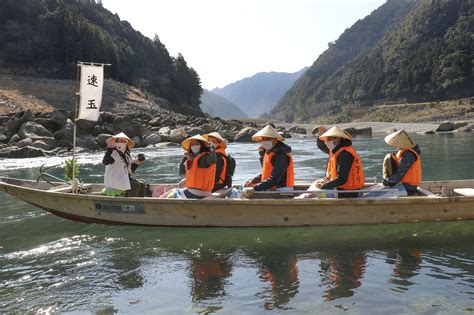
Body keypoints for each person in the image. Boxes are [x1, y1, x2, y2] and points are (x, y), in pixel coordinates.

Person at [242, 125, 294, 198]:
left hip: (282, 192)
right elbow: (267, 172)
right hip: (273, 189)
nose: (264, 141)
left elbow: (274, 179)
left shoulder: (281, 156)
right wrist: (253, 181)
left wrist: (254, 188)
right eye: (263, 139)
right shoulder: (270, 152)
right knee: (245, 186)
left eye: (267, 139)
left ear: (275, 140)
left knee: (245, 195)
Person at [312, 126, 365, 198]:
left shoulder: (345, 155)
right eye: (327, 139)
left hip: (347, 193)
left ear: (339, 139)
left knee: (313, 194)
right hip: (340, 190)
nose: (327, 141)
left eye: (330, 138)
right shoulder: (336, 150)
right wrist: (319, 136)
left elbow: (341, 179)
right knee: (315, 184)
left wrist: (323, 186)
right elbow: (322, 146)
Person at [102, 132, 145, 197]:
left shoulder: (127, 155)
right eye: (120, 141)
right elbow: (105, 162)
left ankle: (142, 202)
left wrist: (136, 163)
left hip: (124, 179)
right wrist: (110, 149)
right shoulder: (112, 152)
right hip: (115, 180)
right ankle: (132, 203)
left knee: (142, 184)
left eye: (124, 141)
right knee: (135, 185)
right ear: (115, 142)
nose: (122, 143)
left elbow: (128, 171)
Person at [173, 134, 216, 199]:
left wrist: (212, 149)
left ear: (202, 145)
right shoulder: (192, 158)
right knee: (173, 192)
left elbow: (213, 160)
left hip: (197, 193)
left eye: (196, 144)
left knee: (170, 194)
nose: (194, 146)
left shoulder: (204, 157)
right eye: (192, 145)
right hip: (198, 192)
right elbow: (181, 172)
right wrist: (185, 157)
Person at [382, 129, 422, 195]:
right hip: (406, 185)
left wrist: (387, 182)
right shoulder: (408, 151)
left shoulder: (408, 155)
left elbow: (400, 173)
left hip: (408, 187)